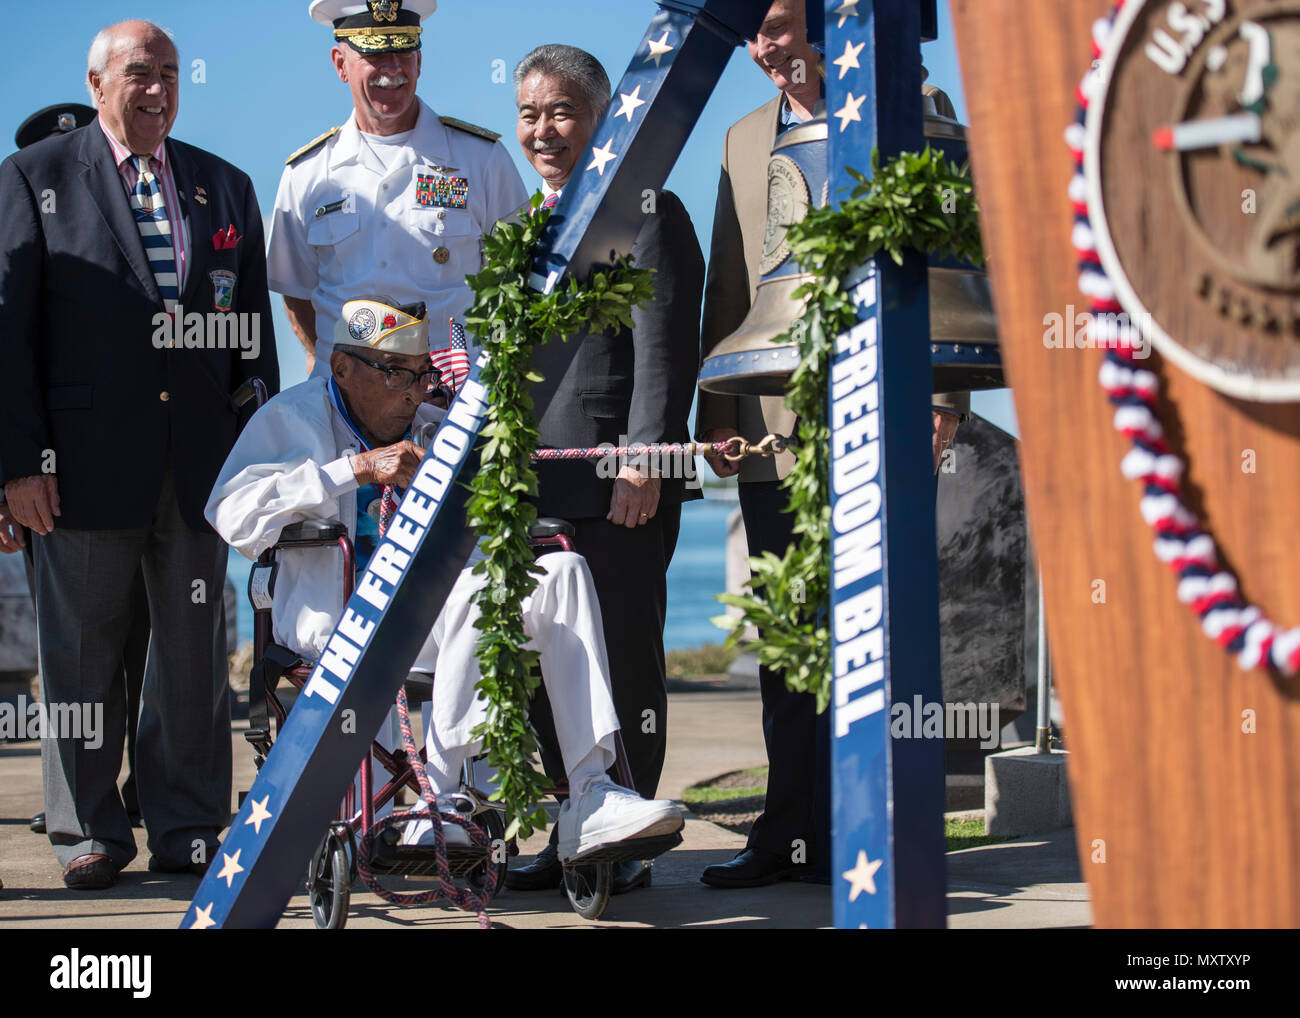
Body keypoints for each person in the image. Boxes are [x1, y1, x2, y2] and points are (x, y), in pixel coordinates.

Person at [206, 296, 684, 859]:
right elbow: (229, 514)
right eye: (395, 375)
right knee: (474, 591)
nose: (413, 393)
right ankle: (441, 792)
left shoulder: (433, 429)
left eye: (422, 376)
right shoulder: (291, 418)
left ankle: (590, 790)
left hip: (435, 621)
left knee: (563, 570)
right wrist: (351, 471)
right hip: (340, 620)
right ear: (342, 368)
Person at [0, 21, 279, 890]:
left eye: (167, 72)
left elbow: (252, 344)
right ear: (95, 82)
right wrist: (18, 464)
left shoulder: (223, 187)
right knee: (80, 657)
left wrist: (257, 459)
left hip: (199, 471)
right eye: (136, 73)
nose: (156, 87)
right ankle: (88, 830)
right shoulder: (33, 178)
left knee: (191, 660)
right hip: (76, 471)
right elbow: (9, 337)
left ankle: (191, 824)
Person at [695, 0, 966, 888]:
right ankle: (787, 835)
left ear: (827, 19)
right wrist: (716, 422)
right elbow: (729, 279)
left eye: (780, 24)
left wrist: (946, 399)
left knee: (875, 636)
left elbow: (952, 256)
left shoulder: (911, 102)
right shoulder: (741, 139)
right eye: (756, 34)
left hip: (882, 418)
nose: (769, 48)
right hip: (776, 434)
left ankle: (874, 833)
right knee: (787, 648)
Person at [504, 45, 705, 894]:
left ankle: (626, 842)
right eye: (530, 115)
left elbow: (665, 349)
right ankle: (568, 830)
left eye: (561, 112)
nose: (543, 131)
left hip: (618, 487)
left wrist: (643, 462)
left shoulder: (647, 209)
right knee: (545, 673)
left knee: (622, 665)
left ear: (599, 118)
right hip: (536, 490)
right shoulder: (522, 228)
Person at [1, 101, 148, 839]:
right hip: (55, 483)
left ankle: (144, 795)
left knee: (151, 645)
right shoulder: (21, 228)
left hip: (149, 469)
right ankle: (80, 805)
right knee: (78, 650)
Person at [267, 0, 528, 378]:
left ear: (419, 61)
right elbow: (297, 294)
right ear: (340, 64)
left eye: (403, 51)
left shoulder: (481, 159)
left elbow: (518, 279)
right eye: (375, 53)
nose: (392, 68)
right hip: (343, 407)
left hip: (451, 399)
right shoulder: (306, 173)